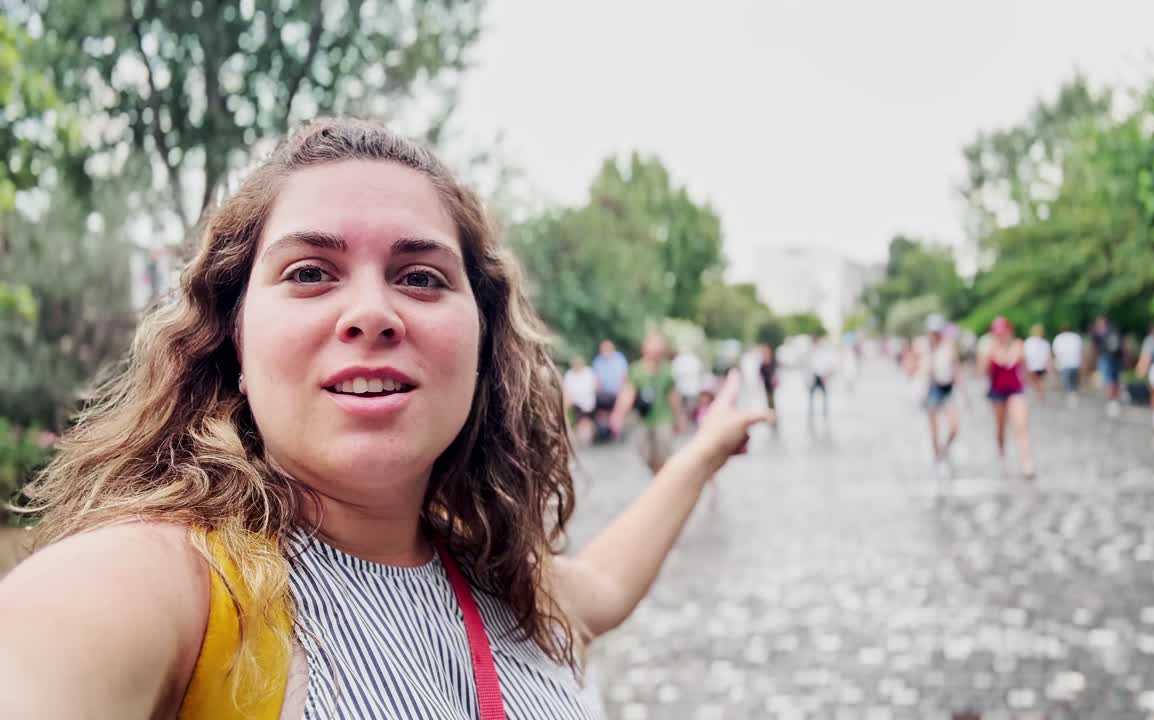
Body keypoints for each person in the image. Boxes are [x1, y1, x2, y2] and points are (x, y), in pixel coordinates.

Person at [0, 118, 770, 719]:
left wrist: (704, 450)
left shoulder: (495, 584)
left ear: (483, 339)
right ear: (234, 334)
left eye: (421, 276)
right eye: (309, 273)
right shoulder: (178, 590)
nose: (371, 312)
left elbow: (602, 584)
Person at [613, 333, 685, 473]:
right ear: (645, 349)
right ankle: (657, 475)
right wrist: (618, 414)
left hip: (664, 418)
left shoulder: (667, 369)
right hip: (644, 420)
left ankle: (663, 480)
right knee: (645, 454)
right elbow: (628, 393)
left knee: (665, 454)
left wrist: (678, 418)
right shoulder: (636, 369)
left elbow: (673, 396)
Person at [980, 317, 1036, 479]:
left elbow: (1026, 370)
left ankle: (1027, 462)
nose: (1001, 336)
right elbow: (982, 371)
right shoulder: (990, 348)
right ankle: (1002, 456)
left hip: (1016, 390)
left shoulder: (1018, 346)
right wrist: (989, 355)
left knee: (1022, 426)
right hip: (997, 392)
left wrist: (1036, 387)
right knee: (1000, 428)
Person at [920, 314, 962, 472]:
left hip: (948, 388)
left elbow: (957, 369)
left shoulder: (949, 347)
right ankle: (936, 454)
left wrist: (964, 392)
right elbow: (921, 371)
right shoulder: (925, 347)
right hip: (933, 388)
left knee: (954, 427)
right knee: (933, 426)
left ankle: (944, 449)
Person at [591, 339, 629, 436]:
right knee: (598, 404)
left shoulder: (619, 358)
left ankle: (617, 430)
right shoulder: (598, 361)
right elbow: (597, 381)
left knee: (620, 403)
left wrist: (622, 390)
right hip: (604, 393)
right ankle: (603, 430)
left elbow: (624, 377)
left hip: (617, 392)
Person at [1091, 316, 1124, 417]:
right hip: (1115, 358)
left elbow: (1095, 346)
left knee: (1110, 380)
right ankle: (1114, 399)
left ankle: (1112, 400)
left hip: (1106, 357)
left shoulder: (1102, 333)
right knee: (1114, 379)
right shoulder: (1114, 330)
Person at [563, 356, 598, 445]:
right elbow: (566, 390)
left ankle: (587, 436)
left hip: (588, 402)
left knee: (585, 418)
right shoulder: (569, 374)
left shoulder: (589, 373)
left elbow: (595, 387)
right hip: (574, 402)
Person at [671, 346, 705, 428]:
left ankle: (685, 423)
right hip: (691, 389)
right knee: (689, 408)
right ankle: (687, 422)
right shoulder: (695, 360)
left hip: (685, 389)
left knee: (685, 408)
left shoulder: (678, 360)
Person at [1051, 324, 1084, 407]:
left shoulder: (1058, 338)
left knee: (1067, 381)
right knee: (1074, 381)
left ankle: (1071, 395)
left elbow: (1055, 352)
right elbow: (1080, 351)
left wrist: (1055, 364)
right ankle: (1073, 394)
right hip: (1075, 362)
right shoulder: (1076, 337)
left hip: (1064, 364)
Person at [808, 335, 838, 424]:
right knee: (812, 396)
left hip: (822, 376)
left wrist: (826, 375)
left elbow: (828, 364)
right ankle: (812, 412)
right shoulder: (812, 352)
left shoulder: (822, 352)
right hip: (814, 376)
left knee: (824, 395)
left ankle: (824, 412)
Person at [1023, 324, 1051, 400]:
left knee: (1038, 381)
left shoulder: (1030, 342)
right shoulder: (1030, 342)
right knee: (1038, 381)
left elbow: (1048, 356)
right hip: (1034, 365)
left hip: (1037, 365)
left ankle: (1041, 395)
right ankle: (1040, 394)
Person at [759, 343, 779, 426]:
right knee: (769, 399)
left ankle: (773, 414)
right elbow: (761, 371)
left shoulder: (772, 360)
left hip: (771, 383)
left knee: (771, 399)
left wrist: (774, 377)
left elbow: (775, 370)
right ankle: (771, 414)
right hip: (767, 382)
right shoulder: (763, 361)